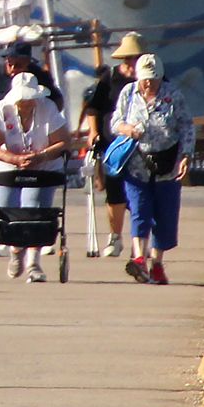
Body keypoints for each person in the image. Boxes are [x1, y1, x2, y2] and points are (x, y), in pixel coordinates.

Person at [0, 72, 71, 283]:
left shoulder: (47, 108)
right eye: (23, 99)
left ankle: (33, 262)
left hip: (44, 165)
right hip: (7, 166)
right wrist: (13, 158)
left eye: (30, 98)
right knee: (7, 210)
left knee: (35, 209)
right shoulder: (3, 109)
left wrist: (41, 156)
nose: (26, 102)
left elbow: (63, 142)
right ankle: (15, 251)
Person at [111, 54, 188, 284]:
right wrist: (128, 129)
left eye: (152, 79)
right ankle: (138, 258)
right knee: (139, 210)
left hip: (168, 163)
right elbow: (115, 123)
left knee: (165, 216)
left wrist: (186, 156)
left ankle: (156, 263)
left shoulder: (173, 94)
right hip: (137, 163)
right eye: (145, 79)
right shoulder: (128, 93)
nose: (148, 83)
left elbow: (186, 126)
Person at [80, 32, 147, 253]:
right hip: (114, 144)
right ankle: (115, 238)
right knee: (115, 192)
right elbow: (93, 107)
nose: (130, 63)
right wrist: (93, 131)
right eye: (127, 58)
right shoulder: (110, 78)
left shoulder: (153, 77)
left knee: (142, 192)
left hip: (144, 145)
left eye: (135, 58)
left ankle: (142, 239)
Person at [0, 41, 64, 147]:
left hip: (35, 131)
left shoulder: (41, 76)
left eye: (18, 65)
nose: (12, 69)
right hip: (2, 129)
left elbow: (57, 100)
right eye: (9, 64)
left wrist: (48, 118)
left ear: (27, 62)